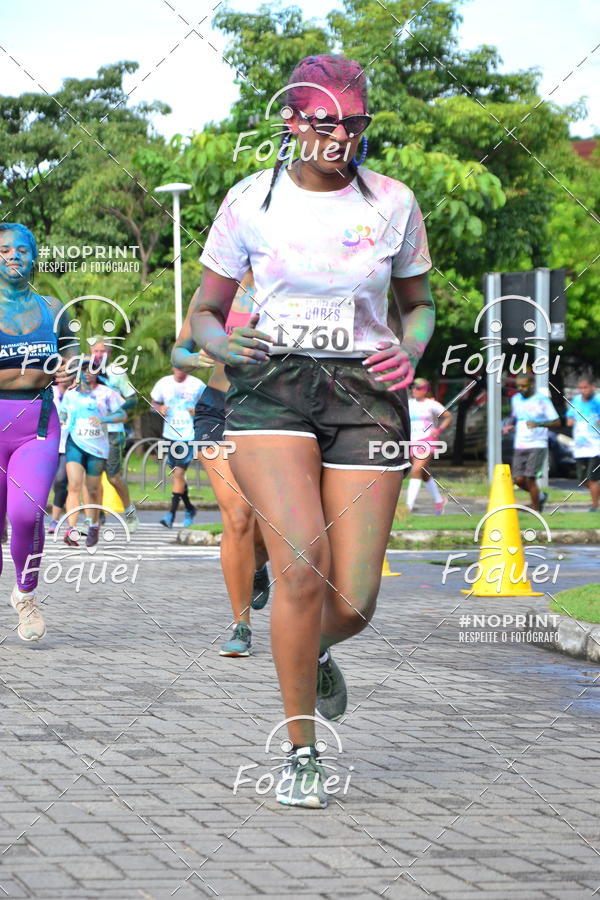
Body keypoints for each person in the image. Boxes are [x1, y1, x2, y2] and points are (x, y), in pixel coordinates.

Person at [190, 54, 435, 807]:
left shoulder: (394, 201)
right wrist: (220, 344)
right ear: (293, 121)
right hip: (273, 390)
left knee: (355, 600)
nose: (341, 136)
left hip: (365, 393)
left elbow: (419, 305)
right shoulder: (249, 201)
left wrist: (412, 345)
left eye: (355, 123)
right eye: (326, 122)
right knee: (300, 566)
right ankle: (301, 752)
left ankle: (315, 647)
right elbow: (203, 311)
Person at [172, 274, 270, 657]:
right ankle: (241, 625)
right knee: (238, 515)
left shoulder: (290, 281)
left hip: (270, 412)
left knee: (264, 519)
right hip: (217, 409)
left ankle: (259, 562)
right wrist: (193, 357)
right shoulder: (212, 292)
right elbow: (179, 351)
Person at [0, 222, 76, 641]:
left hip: (38, 423)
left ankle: (25, 595)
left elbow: (71, 349)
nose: (13, 256)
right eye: (5, 250)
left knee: (26, 514)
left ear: (33, 256)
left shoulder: (52, 306)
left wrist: (72, 366)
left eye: (22, 250)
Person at [60, 360, 126, 547]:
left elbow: (121, 415)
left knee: (93, 489)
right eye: (84, 370)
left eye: (92, 370)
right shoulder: (71, 395)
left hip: (97, 448)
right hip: (75, 444)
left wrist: (103, 418)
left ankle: (94, 525)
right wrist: (62, 420)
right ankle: (71, 530)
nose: (88, 374)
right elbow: (63, 413)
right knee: (73, 486)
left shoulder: (107, 393)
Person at [90, 339, 139, 532]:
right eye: (95, 351)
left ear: (109, 353)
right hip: (91, 433)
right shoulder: (85, 373)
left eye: (103, 351)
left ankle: (130, 512)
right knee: (92, 477)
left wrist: (114, 408)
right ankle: (97, 516)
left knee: (113, 477)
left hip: (113, 433)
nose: (99, 355)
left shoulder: (117, 373)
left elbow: (133, 399)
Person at [150, 367, 204, 528]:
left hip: (189, 436)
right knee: (177, 476)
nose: (180, 370)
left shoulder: (198, 385)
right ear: (173, 366)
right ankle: (189, 508)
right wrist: (159, 409)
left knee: (179, 473)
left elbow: (211, 406)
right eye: (178, 367)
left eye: (184, 367)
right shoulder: (163, 383)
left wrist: (198, 411)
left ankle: (170, 515)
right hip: (169, 435)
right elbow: (152, 404)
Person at [503, 373, 560, 512]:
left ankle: (535, 509)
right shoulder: (516, 399)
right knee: (518, 479)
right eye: (518, 386)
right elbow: (514, 416)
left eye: (524, 386)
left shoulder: (542, 400)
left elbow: (557, 422)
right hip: (520, 444)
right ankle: (539, 496)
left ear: (532, 384)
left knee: (530, 478)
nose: (521, 389)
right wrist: (509, 425)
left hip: (537, 444)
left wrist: (538, 424)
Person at [402, 377, 452, 515]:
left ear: (425, 390)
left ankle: (408, 507)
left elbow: (448, 416)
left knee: (416, 470)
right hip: (412, 441)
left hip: (427, 440)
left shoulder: (432, 404)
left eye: (418, 388)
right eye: (413, 387)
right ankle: (438, 500)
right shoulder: (408, 403)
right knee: (424, 473)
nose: (414, 390)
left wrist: (438, 430)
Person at [566, 376, 600, 512]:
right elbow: (570, 417)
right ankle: (595, 495)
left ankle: (594, 506)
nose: (583, 390)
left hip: (595, 446)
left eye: (585, 387)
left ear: (592, 387)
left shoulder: (597, 401)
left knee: (592, 478)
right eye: (580, 388)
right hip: (580, 446)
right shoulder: (576, 400)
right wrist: (571, 420)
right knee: (582, 479)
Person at [48, 380, 69, 533]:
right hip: (46, 444)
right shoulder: (48, 391)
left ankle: (55, 520)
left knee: (60, 481)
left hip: (69, 444)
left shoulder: (77, 393)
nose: (65, 378)